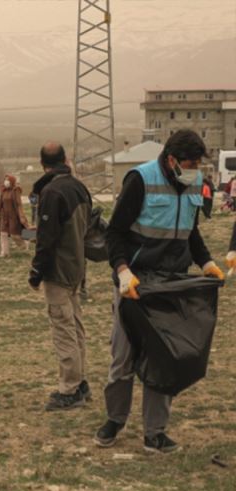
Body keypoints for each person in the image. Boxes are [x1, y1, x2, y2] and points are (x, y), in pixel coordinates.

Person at [95, 129, 224, 453]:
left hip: (171, 284)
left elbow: (190, 232)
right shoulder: (140, 180)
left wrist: (206, 261)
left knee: (164, 357)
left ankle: (155, 432)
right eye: (189, 163)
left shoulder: (193, 181)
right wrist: (122, 271)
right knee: (123, 357)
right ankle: (115, 419)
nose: (194, 169)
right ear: (171, 159)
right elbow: (115, 234)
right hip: (135, 284)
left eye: (197, 163)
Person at [28, 143, 92, 411]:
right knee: (75, 326)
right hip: (77, 266)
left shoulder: (52, 192)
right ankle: (81, 381)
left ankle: (70, 389)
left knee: (63, 328)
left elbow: (46, 238)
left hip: (59, 269)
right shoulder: (78, 186)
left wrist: (36, 271)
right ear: (64, 159)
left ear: (43, 164)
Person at [0, 174, 29, 257]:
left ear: (12, 181)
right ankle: (5, 252)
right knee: (3, 234)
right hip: (4, 216)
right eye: (5, 180)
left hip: (14, 216)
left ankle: (24, 243)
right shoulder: (3, 191)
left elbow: (19, 204)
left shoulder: (15, 191)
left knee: (14, 234)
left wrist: (21, 215)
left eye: (7, 180)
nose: (6, 182)